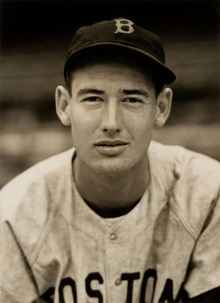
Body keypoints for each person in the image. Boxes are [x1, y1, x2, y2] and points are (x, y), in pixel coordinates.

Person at [0, 18, 220, 303]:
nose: (111, 123)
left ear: (161, 108)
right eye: (93, 98)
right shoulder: (13, 216)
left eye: (132, 99)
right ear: (65, 106)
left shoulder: (209, 195)